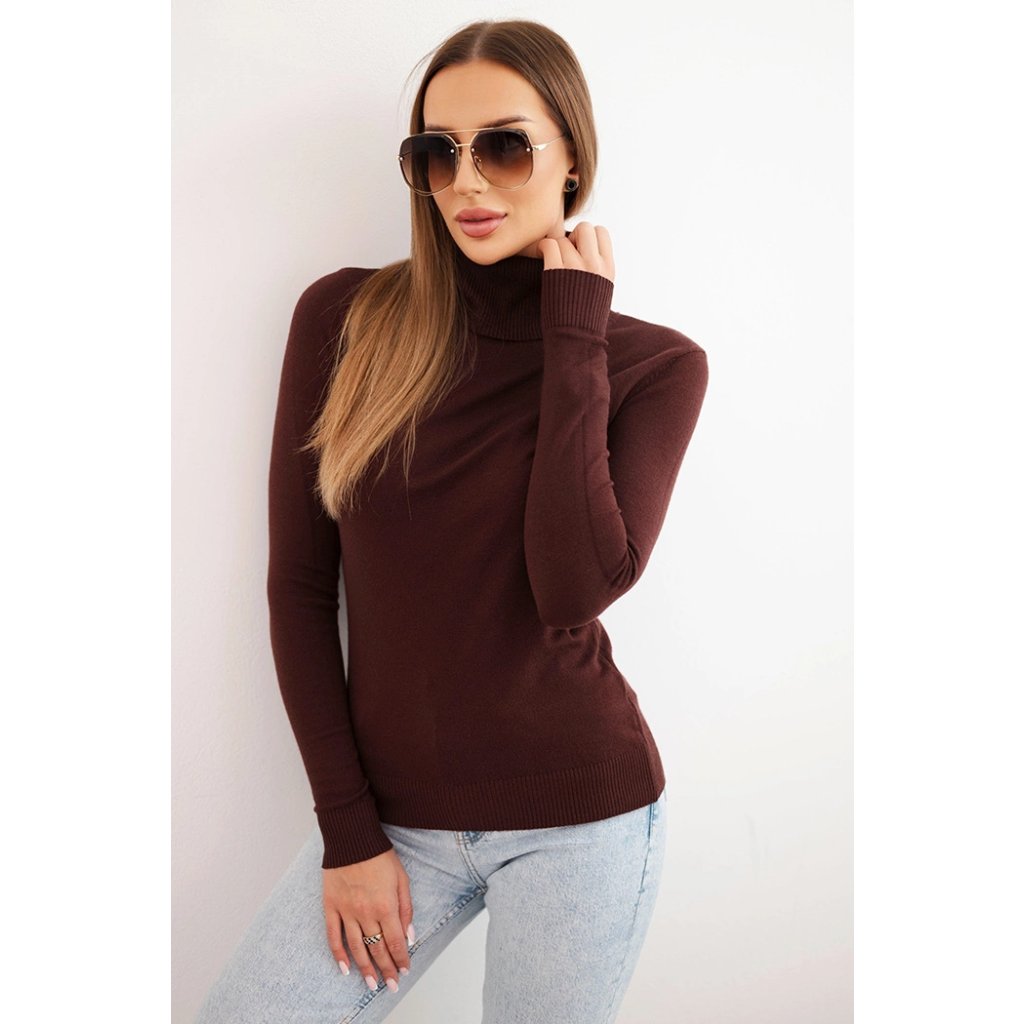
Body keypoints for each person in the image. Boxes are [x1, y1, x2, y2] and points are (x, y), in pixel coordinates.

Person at [195, 17, 708, 1024]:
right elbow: (300, 587)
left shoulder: (653, 366)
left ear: (572, 157)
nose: (467, 182)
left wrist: (575, 332)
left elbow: (572, 585)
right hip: (393, 822)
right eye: (437, 152)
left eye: (504, 146)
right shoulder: (346, 320)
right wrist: (348, 835)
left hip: (581, 818)